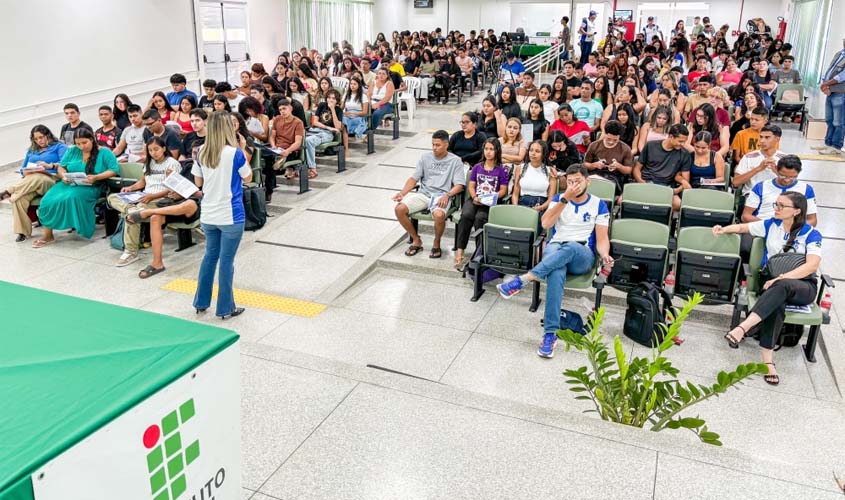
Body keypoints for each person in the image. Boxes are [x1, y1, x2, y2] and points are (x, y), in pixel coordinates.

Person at [496, 164, 613, 358]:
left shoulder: (599, 204)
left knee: (572, 247)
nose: (574, 185)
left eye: (578, 181)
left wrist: (605, 255)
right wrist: (564, 199)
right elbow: (546, 224)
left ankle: (523, 280)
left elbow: (602, 239)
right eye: (570, 181)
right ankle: (550, 334)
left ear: (587, 181)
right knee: (556, 272)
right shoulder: (559, 199)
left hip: (582, 254)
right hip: (556, 248)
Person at [713, 191, 822, 385]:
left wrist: (782, 277)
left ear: (796, 211)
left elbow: (811, 265)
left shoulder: (811, 234)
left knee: (782, 286)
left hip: (803, 285)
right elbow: (743, 227)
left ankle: (743, 327)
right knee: (776, 304)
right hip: (773, 284)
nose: (777, 209)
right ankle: (768, 362)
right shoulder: (771, 225)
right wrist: (723, 229)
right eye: (776, 204)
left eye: (782, 206)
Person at [191, 111, 253, 319]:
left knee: (210, 256)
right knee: (226, 261)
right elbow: (248, 177)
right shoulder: (234, 153)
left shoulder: (200, 151)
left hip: (208, 214)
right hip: (231, 215)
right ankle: (226, 307)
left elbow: (198, 183)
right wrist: (243, 150)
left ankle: (201, 302)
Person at [31, 129, 119, 247]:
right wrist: (63, 176)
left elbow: (113, 170)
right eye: (78, 143)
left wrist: (97, 177)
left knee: (72, 197)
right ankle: (48, 234)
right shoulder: (72, 150)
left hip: (93, 186)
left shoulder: (104, 152)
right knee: (47, 200)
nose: (81, 146)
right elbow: (61, 167)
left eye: (84, 143)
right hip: (69, 183)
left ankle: (79, 225)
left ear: (92, 140)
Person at [108, 136, 181, 267]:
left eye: (156, 149)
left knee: (133, 216)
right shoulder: (149, 162)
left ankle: (131, 252)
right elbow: (143, 181)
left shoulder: (172, 163)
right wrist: (130, 188)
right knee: (112, 197)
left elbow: (174, 188)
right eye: (150, 150)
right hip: (144, 196)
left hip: (161, 198)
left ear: (164, 148)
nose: (154, 152)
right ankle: (131, 209)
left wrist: (152, 197)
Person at [392, 130, 465, 259]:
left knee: (438, 214)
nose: (434, 148)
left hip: (442, 195)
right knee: (399, 209)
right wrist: (402, 193)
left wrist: (447, 195)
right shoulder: (425, 157)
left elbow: (459, 185)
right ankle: (416, 239)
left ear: (446, 145)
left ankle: (436, 242)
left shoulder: (455, 161)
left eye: (438, 145)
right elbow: (414, 178)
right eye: (433, 145)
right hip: (424, 194)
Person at [1, 125, 67, 242]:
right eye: (35, 139)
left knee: (38, 177)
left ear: (48, 135)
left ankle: (8, 191)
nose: (39, 141)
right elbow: (23, 168)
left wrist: (49, 166)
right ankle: (23, 232)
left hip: (52, 180)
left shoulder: (59, 146)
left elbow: (65, 163)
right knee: (19, 199)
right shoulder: (32, 151)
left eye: (41, 137)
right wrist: (26, 171)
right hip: (31, 182)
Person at [453, 138, 509, 270]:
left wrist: (492, 196)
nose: (488, 152)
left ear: (497, 151)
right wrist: (474, 197)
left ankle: (479, 253)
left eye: (492, 149)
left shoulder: (501, 169)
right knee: (466, 215)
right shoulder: (477, 167)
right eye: (486, 149)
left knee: (480, 218)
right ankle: (460, 251)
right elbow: (471, 186)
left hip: (490, 202)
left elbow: (503, 190)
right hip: (476, 199)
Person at [742, 155, 817, 227]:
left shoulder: (806, 189)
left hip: (791, 230)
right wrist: (769, 226)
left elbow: (812, 220)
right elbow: (746, 216)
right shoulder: (761, 187)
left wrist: (793, 228)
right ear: (776, 169)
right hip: (762, 226)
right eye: (782, 176)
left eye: (792, 177)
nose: (787, 180)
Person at [633, 124, 692, 211]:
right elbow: (636, 169)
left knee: (678, 204)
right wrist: (642, 183)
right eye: (680, 141)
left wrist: (676, 190)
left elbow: (685, 180)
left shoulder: (685, 154)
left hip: (666, 187)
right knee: (621, 201)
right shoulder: (650, 146)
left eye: (684, 142)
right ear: (671, 136)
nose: (683, 144)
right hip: (647, 182)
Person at [266, 98, 305, 201]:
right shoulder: (277, 119)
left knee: (271, 162)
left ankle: (268, 191)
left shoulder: (298, 122)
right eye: (280, 109)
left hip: (290, 149)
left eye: (284, 108)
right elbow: (272, 136)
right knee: (266, 157)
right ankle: (279, 163)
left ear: (290, 108)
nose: (282, 111)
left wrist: (287, 151)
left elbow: (298, 142)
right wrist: (273, 145)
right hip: (276, 148)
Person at [583, 120, 633, 195]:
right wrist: (594, 165)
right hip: (595, 174)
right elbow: (585, 164)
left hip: (614, 177)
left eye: (615, 140)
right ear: (604, 134)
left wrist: (619, 166)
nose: (611, 142)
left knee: (605, 187)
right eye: (608, 139)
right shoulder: (594, 145)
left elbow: (628, 170)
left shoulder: (625, 149)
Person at [733, 124, 785, 195]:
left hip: (777, 195)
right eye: (761, 137)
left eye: (767, 137)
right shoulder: (748, 157)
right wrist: (758, 168)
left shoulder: (784, 159)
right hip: (752, 194)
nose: (762, 141)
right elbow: (735, 182)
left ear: (777, 139)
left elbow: (790, 183)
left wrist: (776, 171)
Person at [304, 89, 343, 179]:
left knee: (308, 141)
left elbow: (338, 127)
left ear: (337, 100)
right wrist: (328, 127)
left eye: (333, 98)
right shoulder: (322, 105)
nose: (331, 100)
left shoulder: (338, 110)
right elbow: (315, 122)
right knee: (300, 140)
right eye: (329, 97)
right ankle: (297, 168)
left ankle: (312, 168)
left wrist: (333, 110)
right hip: (316, 130)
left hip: (328, 134)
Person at [512, 140, 557, 215]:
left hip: (541, 205)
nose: (533, 153)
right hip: (522, 204)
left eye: (537, 151)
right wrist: (516, 207)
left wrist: (540, 208)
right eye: (531, 150)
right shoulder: (520, 168)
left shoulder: (550, 171)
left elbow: (551, 199)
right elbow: (515, 194)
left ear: (543, 154)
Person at [817, 37, 845, 156]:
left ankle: (836, 146)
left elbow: (842, 76)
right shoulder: (839, 53)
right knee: (829, 119)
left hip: (840, 91)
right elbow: (829, 70)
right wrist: (824, 85)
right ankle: (827, 143)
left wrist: (826, 84)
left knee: (839, 121)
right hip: (830, 89)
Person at [342, 77, 369, 142]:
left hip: (359, 115)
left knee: (357, 120)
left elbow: (365, 112)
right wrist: (344, 113)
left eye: (354, 84)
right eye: (351, 84)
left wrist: (353, 114)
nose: (352, 86)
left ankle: (355, 133)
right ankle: (344, 135)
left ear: (359, 85)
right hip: (348, 115)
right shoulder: (346, 95)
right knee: (343, 119)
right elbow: (341, 108)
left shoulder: (363, 96)